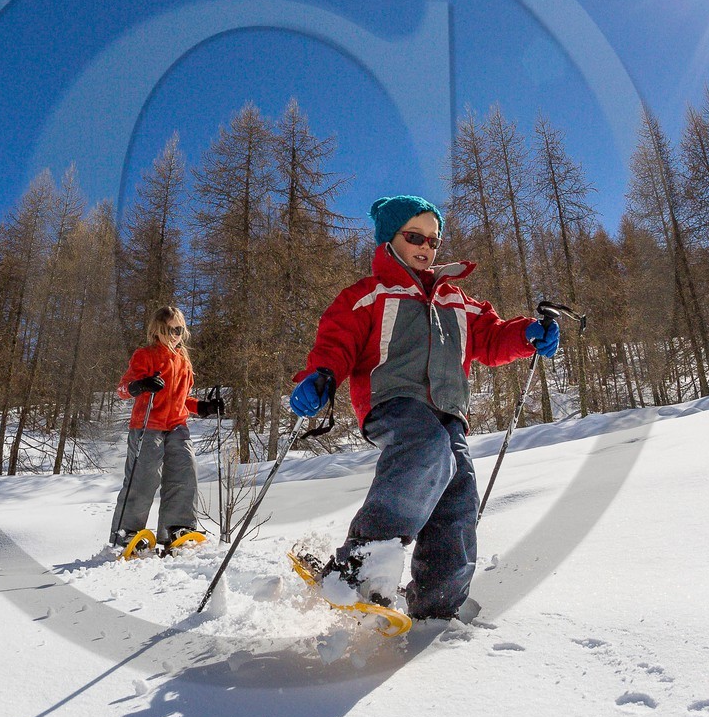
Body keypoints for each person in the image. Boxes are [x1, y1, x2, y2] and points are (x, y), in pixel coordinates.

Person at [288, 195, 559, 619]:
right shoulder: (370, 294)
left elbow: (490, 336)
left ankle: (437, 604)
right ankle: (359, 565)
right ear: (389, 239)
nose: (426, 247)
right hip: (394, 402)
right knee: (425, 449)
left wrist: (527, 334)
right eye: (415, 236)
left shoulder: (456, 299)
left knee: (458, 494)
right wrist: (321, 374)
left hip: (450, 411)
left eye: (433, 240)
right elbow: (336, 341)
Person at [110, 305, 224, 549]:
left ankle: (177, 528)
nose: (177, 335)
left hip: (176, 424)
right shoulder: (145, 355)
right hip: (147, 423)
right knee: (144, 476)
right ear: (158, 331)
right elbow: (122, 390)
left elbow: (182, 399)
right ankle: (127, 532)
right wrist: (140, 386)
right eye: (172, 330)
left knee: (185, 471)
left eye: (180, 330)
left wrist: (203, 407)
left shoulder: (183, 361)